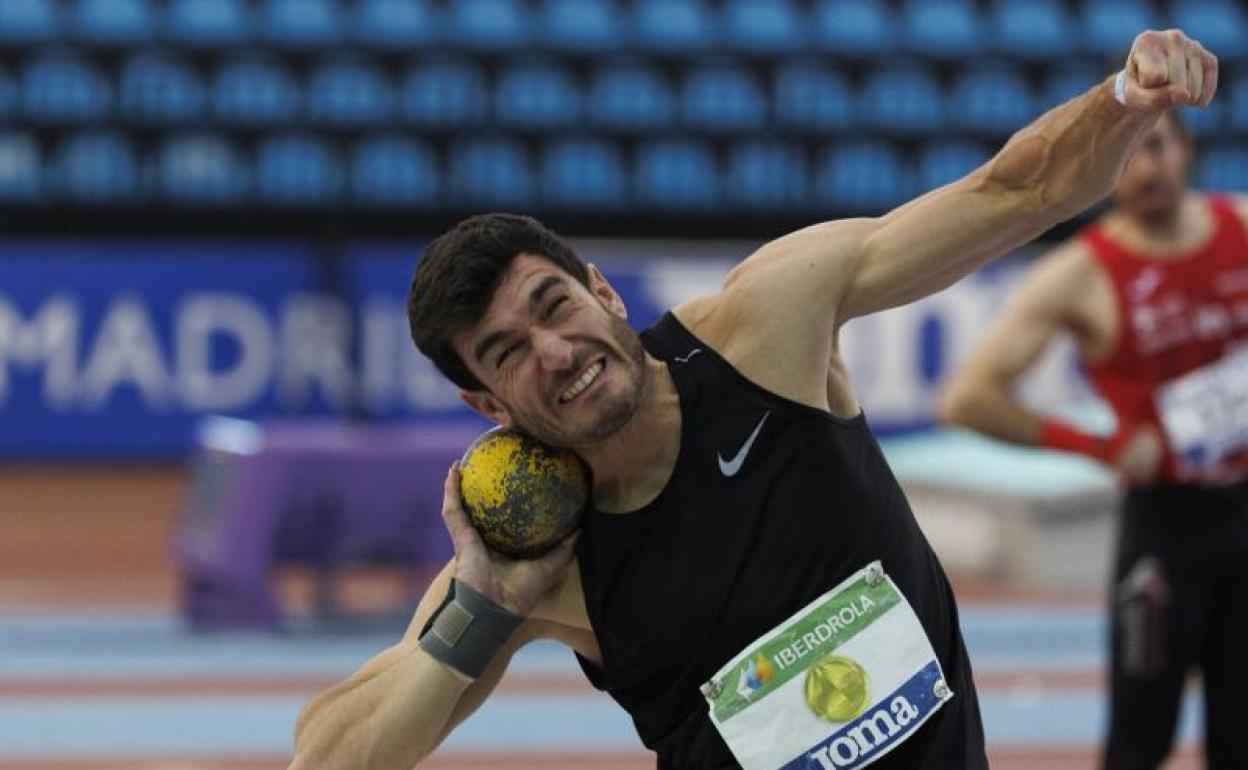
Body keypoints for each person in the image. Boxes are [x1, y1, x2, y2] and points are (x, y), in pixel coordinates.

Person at [289, 30, 1217, 770]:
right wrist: (482, 609)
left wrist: (1126, 100)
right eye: (507, 353)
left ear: (603, 291)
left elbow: (1016, 191)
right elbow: (326, 761)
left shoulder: (764, 332)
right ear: (483, 403)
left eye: (554, 305)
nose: (556, 351)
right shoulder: (542, 553)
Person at [939, 98, 1248, 770]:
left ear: (1188, 150)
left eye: (1159, 145)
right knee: (1139, 740)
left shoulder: (1243, 227)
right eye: (1129, 151)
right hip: (1166, 531)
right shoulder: (1078, 276)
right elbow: (967, 397)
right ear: (1105, 168)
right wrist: (1099, 448)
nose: (1147, 167)